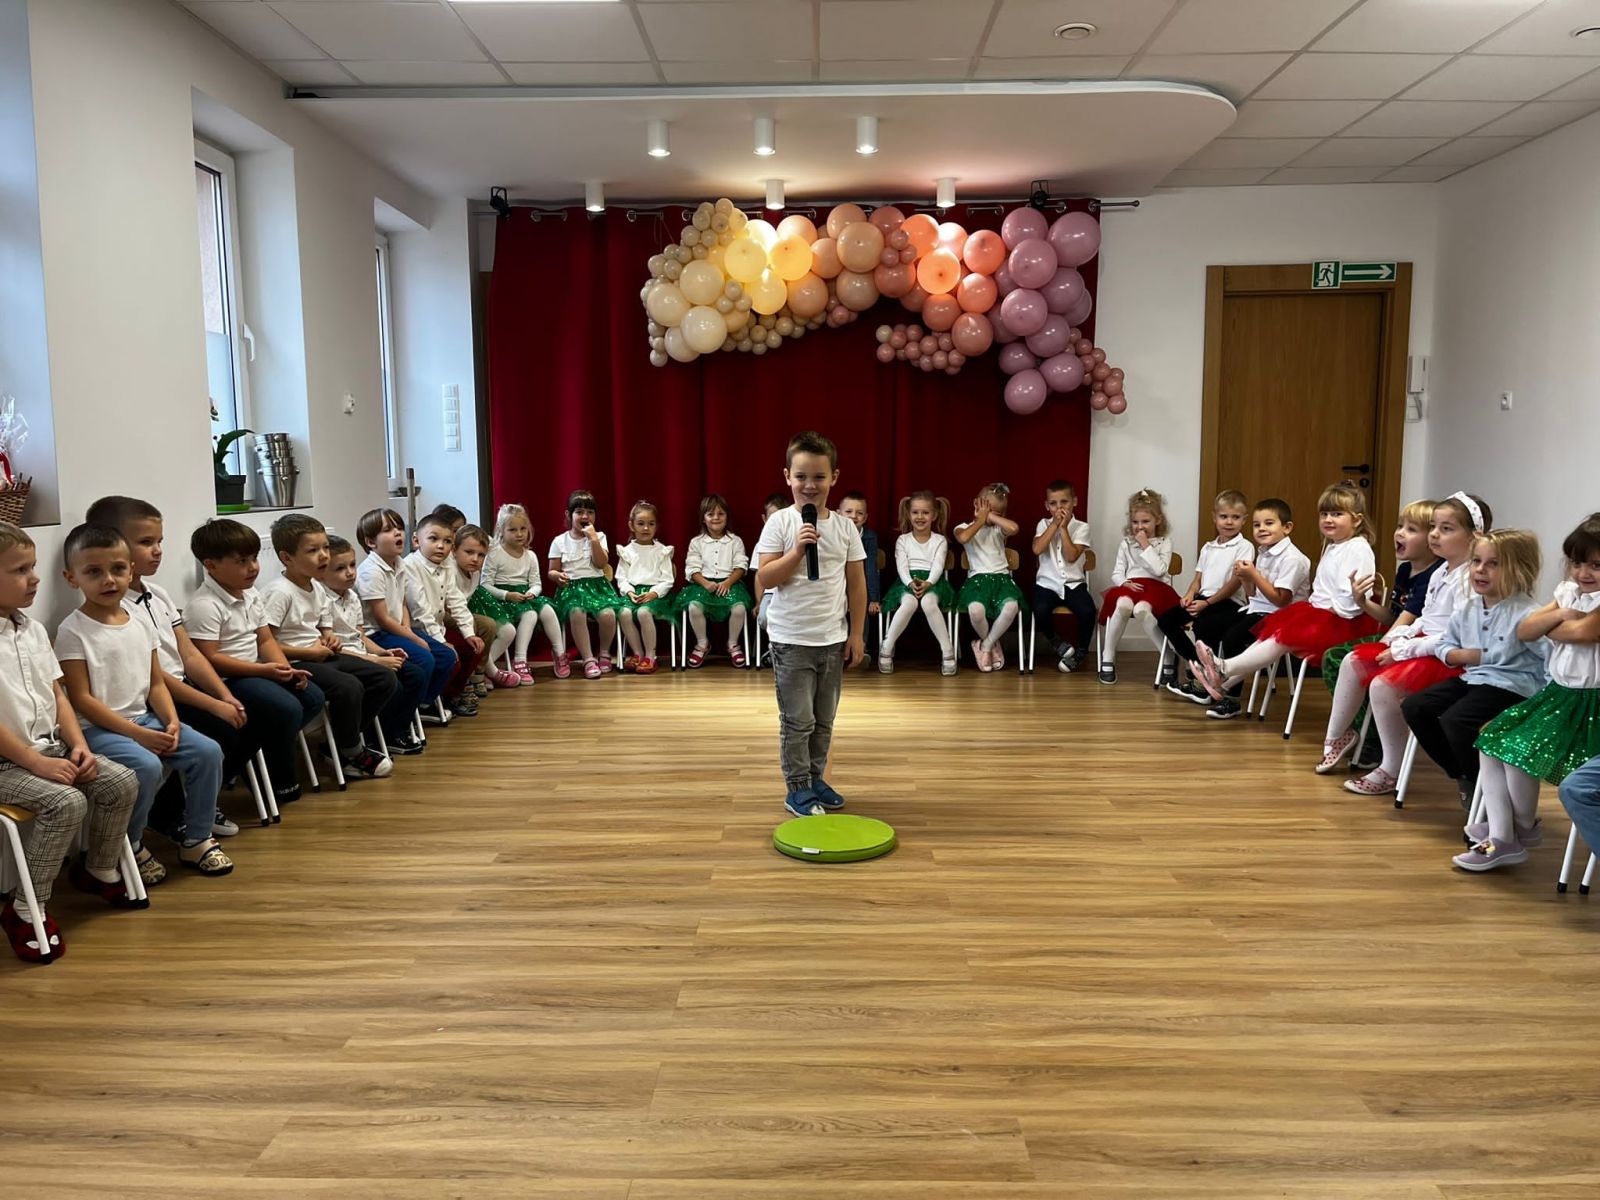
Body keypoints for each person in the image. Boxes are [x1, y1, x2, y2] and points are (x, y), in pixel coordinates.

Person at [56, 523, 230, 882]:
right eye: (94, 572)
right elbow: (82, 700)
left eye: (118, 569)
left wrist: (171, 721)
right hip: (99, 730)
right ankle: (130, 845)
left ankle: (197, 838)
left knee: (208, 752)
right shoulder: (72, 630)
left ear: (130, 570)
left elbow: (155, 683)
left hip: (145, 720)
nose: (109, 580)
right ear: (72, 578)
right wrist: (138, 734)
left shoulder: (139, 621)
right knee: (146, 766)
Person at [0, 521, 140, 964]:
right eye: (20, 570)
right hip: (8, 763)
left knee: (120, 782)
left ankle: (97, 869)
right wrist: (35, 763)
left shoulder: (31, 629)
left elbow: (58, 694)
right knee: (65, 803)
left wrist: (78, 744)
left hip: (47, 749)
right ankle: (25, 908)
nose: (34, 578)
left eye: (32, 567)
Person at [87, 495, 246, 840]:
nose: (158, 551)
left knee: (246, 716)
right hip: (153, 696)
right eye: (147, 542)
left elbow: (189, 654)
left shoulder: (157, 593)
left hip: (179, 686)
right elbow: (154, 676)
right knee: (215, 733)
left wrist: (223, 695)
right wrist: (212, 705)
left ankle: (200, 806)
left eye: (159, 541)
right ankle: (172, 815)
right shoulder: (114, 607)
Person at [1456, 514, 1600, 871]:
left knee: (1518, 751)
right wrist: (1562, 617)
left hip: (1588, 706)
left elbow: (1584, 633)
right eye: (1577, 563)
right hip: (1559, 695)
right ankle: (1509, 831)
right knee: (1492, 738)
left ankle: (1515, 830)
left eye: (1596, 565)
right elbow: (1525, 630)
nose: (1583, 572)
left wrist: (1555, 625)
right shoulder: (1568, 593)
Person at [1320, 493, 1489, 796]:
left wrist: (1406, 648)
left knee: (1383, 686)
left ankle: (1390, 768)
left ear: (1473, 537)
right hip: (1423, 644)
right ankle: (1335, 738)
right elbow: (1426, 617)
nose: (1435, 534)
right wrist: (1402, 636)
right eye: (1433, 527)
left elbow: (1455, 635)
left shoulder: (1469, 580)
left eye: (1446, 529)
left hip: (1447, 656)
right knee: (1353, 661)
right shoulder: (1441, 570)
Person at [754, 431, 867, 817]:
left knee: (823, 721)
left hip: (831, 640)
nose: (809, 485)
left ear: (834, 477)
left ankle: (816, 778)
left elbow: (857, 584)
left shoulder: (845, 528)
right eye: (801, 476)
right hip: (791, 641)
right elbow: (766, 577)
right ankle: (797, 787)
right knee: (798, 721)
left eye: (819, 477)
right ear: (787, 476)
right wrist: (798, 550)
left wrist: (856, 633)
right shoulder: (780, 523)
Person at [1196, 482, 1380, 705]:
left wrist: (1320, 612)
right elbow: (1321, 590)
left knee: (1279, 636)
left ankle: (1225, 669)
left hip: (1343, 621)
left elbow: (1351, 600)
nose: (1328, 519)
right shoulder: (1333, 546)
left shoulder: (1358, 549)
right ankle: (1223, 680)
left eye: (1337, 514)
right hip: (1320, 612)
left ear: (1357, 520)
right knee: (1268, 636)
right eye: (1324, 514)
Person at [1402, 529, 1546, 814]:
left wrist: (1545, 701)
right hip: (1473, 679)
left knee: (1456, 720)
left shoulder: (1529, 614)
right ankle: (1466, 775)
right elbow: (1445, 644)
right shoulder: (1467, 608)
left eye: (1494, 564)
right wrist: (1459, 655)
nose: (1480, 570)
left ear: (1519, 569)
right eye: (1476, 561)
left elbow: (1550, 659)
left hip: (1512, 686)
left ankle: (1483, 788)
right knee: (1415, 707)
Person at [184, 519, 326, 806]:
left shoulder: (250, 594)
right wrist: (264, 670)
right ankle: (276, 780)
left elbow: (265, 641)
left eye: (254, 558)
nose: (253, 567)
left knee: (312, 696)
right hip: (228, 679)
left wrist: (285, 669)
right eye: (242, 561)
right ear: (211, 566)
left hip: (257, 671)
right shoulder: (204, 605)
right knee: (285, 709)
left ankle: (260, 752)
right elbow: (210, 659)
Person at [262, 514, 395, 778]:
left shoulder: (316, 586)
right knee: (348, 686)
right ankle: (351, 751)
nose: (323, 555)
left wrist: (328, 636)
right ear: (287, 558)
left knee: (384, 678)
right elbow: (266, 644)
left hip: (320, 655)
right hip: (297, 661)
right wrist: (309, 651)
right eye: (313, 550)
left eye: (324, 547)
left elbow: (324, 625)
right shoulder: (279, 592)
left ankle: (337, 742)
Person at [1323, 499, 1441, 767]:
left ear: (1431, 540)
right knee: (1336, 658)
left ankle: (1372, 740)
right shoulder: (1405, 570)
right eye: (1400, 526)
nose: (1399, 533)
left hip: (1414, 643)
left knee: (1350, 661)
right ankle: (1357, 731)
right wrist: (1363, 602)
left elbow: (1407, 621)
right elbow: (1393, 617)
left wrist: (1382, 648)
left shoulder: (1431, 576)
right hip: (1397, 635)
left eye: (1411, 529)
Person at [1200, 499, 1310, 719]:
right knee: (1212, 623)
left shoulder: (1293, 559)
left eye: (1269, 523)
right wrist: (1245, 579)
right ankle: (1212, 680)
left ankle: (1231, 698)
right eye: (1257, 525)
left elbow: (1281, 600)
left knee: (1233, 637)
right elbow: (1254, 596)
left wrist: (1254, 575)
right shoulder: (1264, 552)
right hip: (1259, 609)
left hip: (1281, 615)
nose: (1261, 529)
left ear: (1287, 527)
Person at [319, 535, 426, 755]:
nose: (350, 572)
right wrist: (375, 660)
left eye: (352, 565)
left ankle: (392, 731)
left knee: (415, 674)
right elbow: (332, 647)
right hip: (342, 658)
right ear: (321, 573)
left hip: (363, 654)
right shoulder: (321, 600)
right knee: (392, 684)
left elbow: (360, 635)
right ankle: (369, 736)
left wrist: (382, 652)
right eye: (340, 569)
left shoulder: (352, 596)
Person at [357, 507, 456, 723]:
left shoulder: (400, 563)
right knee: (425, 658)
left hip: (396, 629)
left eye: (400, 528)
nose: (397, 533)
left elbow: (402, 602)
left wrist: (408, 630)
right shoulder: (371, 571)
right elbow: (382, 618)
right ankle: (401, 717)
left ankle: (422, 705)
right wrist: (413, 638)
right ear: (371, 542)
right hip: (377, 634)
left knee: (447, 656)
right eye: (388, 530)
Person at [1156, 489, 1253, 698]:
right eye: (1224, 516)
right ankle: (1200, 666)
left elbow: (1235, 583)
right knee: (1166, 620)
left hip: (1228, 602)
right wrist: (1190, 594)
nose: (1229, 522)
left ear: (1244, 520)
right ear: (1214, 517)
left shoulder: (1244, 546)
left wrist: (1207, 604)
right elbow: (1198, 578)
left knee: (1204, 624)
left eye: (1235, 517)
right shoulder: (1208, 548)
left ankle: (1205, 686)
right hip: (1204, 599)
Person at [469, 503, 564, 684]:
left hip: (523, 596)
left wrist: (532, 593)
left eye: (523, 529)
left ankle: (554, 654)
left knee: (544, 610)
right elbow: (485, 584)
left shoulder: (530, 556)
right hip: (498, 598)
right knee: (526, 617)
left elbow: (536, 583)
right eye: (512, 530)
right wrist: (507, 595)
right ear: (501, 530)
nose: (519, 534)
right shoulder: (494, 554)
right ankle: (490, 666)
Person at [403, 513, 486, 718]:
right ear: (416, 541)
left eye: (447, 541)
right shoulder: (411, 566)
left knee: (473, 647)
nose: (441, 546)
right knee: (448, 657)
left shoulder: (446, 566)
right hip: (416, 631)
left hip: (436, 629)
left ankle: (450, 695)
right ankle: (425, 702)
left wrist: (469, 633)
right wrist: (441, 641)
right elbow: (420, 611)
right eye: (433, 539)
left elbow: (456, 601)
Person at [1096, 488, 1180, 685]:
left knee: (1141, 610)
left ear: (1158, 520)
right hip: (1131, 587)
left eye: (1145, 521)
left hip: (1157, 589)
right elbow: (1117, 572)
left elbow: (1160, 570)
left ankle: (1168, 655)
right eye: (1135, 522)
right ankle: (1108, 656)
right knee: (1123, 605)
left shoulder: (1164, 543)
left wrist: (1145, 546)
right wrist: (1124, 582)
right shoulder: (1126, 543)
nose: (1139, 526)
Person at [548, 489, 624, 680]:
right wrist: (557, 576)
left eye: (590, 512)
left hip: (597, 587)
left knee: (608, 615)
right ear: (568, 515)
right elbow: (551, 571)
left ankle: (604, 652)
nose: (585, 516)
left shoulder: (600, 537)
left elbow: (601, 564)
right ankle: (588, 659)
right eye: (579, 512)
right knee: (576, 612)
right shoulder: (559, 541)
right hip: (572, 588)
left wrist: (593, 539)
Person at [880, 491, 956, 676]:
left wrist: (928, 582)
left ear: (934, 515)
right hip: (907, 582)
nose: (920, 517)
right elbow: (902, 566)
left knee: (929, 603)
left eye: (925, 512)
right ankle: (887, 647)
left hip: (932, 581)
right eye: (915, 512)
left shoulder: (939, 541)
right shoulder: (903, 540)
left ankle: (947, 650)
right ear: (908, 514)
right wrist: (909, 583)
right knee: (909, 603)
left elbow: (938, 565)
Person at [954, 483, 1025, 673]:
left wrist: (990, 516)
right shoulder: (963, 527)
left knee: (1011, 607)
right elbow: (963, 538)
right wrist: (980, 519)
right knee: (976, 611)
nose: (988, 515)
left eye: (995, 512)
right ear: (975, 504)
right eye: (986, 508)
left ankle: (985, 646)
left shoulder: (997, 530)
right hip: (977, 581)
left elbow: (1014, 528)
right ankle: (992, 643)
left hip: (1002, 580)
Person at [679, 493, 753, 669]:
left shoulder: (735, 541)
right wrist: (705, 583)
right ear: (703, 518)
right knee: (694, 606)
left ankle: (733, 643)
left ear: (727, 517)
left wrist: (727, 583)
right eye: (710, 514)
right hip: (703, 584)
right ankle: (702, 643)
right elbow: (692, 569)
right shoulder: (696, 542)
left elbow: (741, 566)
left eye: (721, 514)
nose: (716, 518)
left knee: (739, 608)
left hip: (730, 583)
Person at [1029, 479, 1095, 674]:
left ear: (1074, 502)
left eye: (1064, 502)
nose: (1059, 508)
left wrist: (1064, 529)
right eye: (1053, 503)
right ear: (1047, 506)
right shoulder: (1043, 524)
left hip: (1073, 583)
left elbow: (1071, 556)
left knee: (1088, 611)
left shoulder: (1082, 527)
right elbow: (1037, 549)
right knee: (1039, 609)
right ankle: (1056, 642)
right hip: (1047, 584)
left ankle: (1080, 652)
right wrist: (1054, 525)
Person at [615, 500, 676, 674]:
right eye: (641, 524)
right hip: (634, 593)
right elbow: (621, 577)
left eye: (651, 524)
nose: (646, 528)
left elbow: (668, 579)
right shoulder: (627, 551)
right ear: (632, 525)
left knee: (643, 612)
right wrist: (629, 592)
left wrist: (654, 593)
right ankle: (638, 653)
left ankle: (650, 656)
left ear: (657, 526)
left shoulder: (662, 551)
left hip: (656, 595)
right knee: (623, 613)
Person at [449, 524, 505, 696]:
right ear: (454, 551)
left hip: (461, 613)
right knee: (471, 625)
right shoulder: (450, 570)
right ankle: (465, 676)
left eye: (481, 555)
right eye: (469, 552)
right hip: (445, 614)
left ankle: (478, 673)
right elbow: (447, 605)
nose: (475, 559)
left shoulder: (474, 573)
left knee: (489, 625)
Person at [838, 491, 880, 666]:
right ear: (838, 513)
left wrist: (874, 598)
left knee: (862, 602)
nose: (854, 516)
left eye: (859, 513)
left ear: (866, 517)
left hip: (859, 583)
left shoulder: (869, 537)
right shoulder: (833, 533)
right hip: (837, 584)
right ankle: (837, 649)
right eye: (848, 512)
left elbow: (870, 569)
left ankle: (861, 648)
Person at [753, 492, 788, 668]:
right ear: (764, 519)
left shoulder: (793, 540)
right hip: (770, 593)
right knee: (765, 617)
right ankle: (775, 649)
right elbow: (759, 576)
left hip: (790, 591)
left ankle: (783, 651)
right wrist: (759, 601)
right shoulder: (762, 544)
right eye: (773, 517)